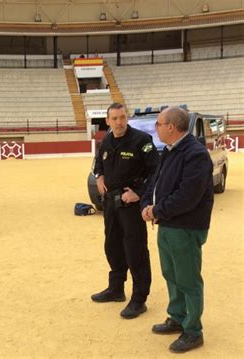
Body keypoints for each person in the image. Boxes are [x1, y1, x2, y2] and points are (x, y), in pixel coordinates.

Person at [141, 107, 213, 353]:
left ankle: (193, 330)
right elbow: (155, 183)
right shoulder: (171, 151)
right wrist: (147, 205)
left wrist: (157, 211)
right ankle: (177, 316)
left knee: (188, 279)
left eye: (159, 124)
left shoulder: (195, 154)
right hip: (169, 224)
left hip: (185, 227)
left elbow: (188, 196)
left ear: (171, 127)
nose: (156, 128)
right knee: (171, 274)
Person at [91, 102, 159, 319]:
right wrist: (100, 177)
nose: (119, 122)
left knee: (135, 250)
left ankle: (139, 299)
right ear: (108, 121)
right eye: (115, 119)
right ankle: (116, 289)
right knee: (112, 246)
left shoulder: (141, 141)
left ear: (126, 117)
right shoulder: (107, 140)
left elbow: (155, 172)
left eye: (122, 117)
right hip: (111, 203)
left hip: (130, 205)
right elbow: (98, 165)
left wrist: (139, 193)